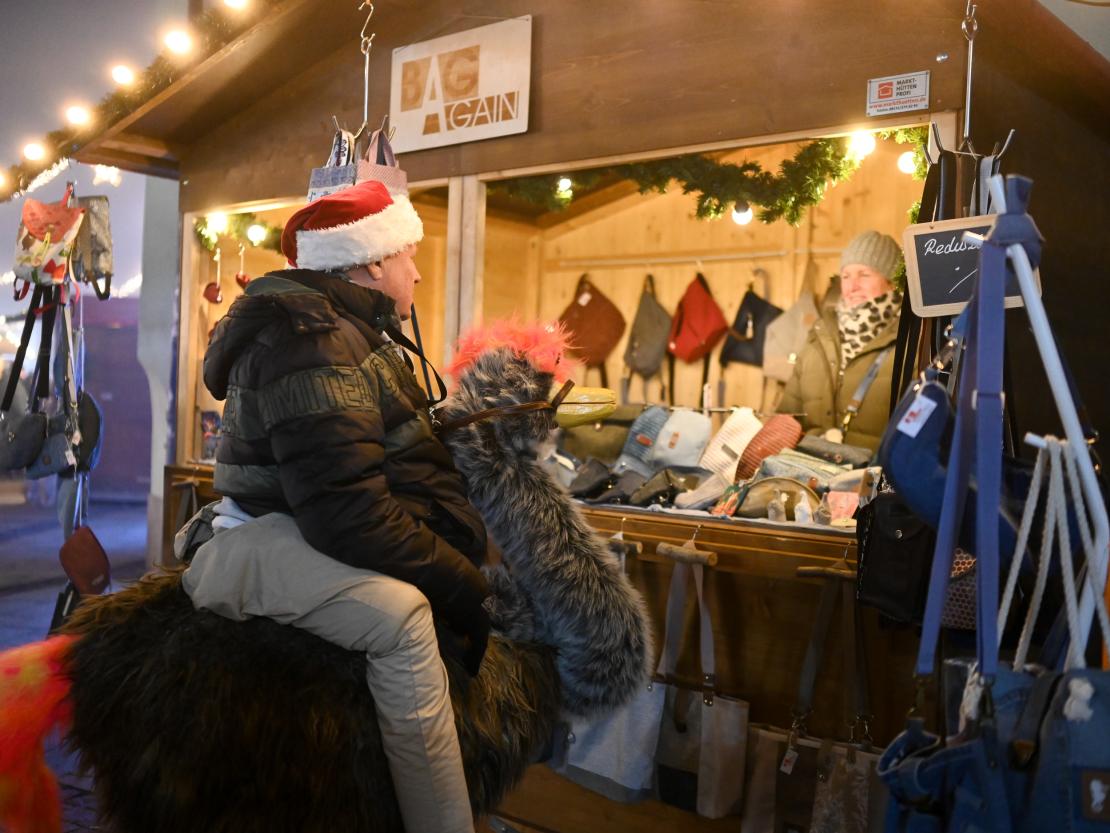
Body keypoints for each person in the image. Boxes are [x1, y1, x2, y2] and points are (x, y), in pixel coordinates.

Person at [179, 178, 490, 833]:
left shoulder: (349, 331)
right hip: (266, 536)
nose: (417, 272)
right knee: (402, 619)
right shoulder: (316, 338)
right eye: (409, 255)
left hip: (292, 526)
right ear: (372, 261)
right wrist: (465, 584)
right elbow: (347, 513)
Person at [778, 230, 903, 451]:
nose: (852, 286)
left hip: (878, 472)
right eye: (845, 276)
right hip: (812, 469)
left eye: (864, 275)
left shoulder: (910, 341)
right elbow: (786, 419)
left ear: (891, 282)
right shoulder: (818, 340)